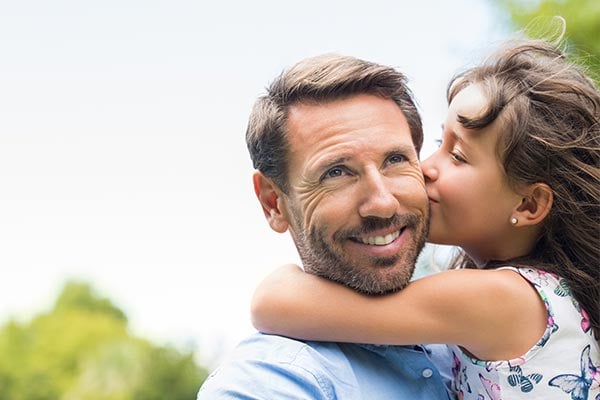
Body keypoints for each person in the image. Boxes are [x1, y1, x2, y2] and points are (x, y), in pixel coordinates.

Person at [251, 37, 600, 400]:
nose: (426, 168)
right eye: (438, 143)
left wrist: (283, 279)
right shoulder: (541, 295)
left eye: (458, 156)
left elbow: (274, 304)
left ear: (528, 205)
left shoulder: (500, 298)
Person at [197, 54, 454, 398]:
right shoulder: (265, 384)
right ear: (273, 203)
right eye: (336, 172)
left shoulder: (471, 341)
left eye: (395, 160)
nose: (382, 202)